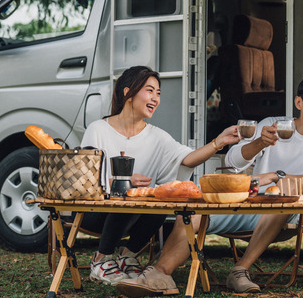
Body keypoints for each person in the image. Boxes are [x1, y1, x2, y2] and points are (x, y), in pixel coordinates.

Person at [116, 71, 303, 297]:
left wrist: (277, 177)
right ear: (299, 101)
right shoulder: (273, 125)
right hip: (247, 201)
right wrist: (257, 144)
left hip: (288, 210)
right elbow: (233, 161)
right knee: (193, 211)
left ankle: (240, 270)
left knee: (279, 203)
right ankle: (160, 274)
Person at [80, 65, 239, 286]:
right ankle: (101, 261)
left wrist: (218, 142)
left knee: (159, 199)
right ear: (128, 92)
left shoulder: (157, 136)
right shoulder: (98, 129)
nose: (155, 98)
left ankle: (128, 257)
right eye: (149, 90)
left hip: (132, 215)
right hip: (94, 212)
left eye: (158, 93)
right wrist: (122, 181)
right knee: (126, 195)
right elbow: (84, 179)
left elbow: (187, 159)